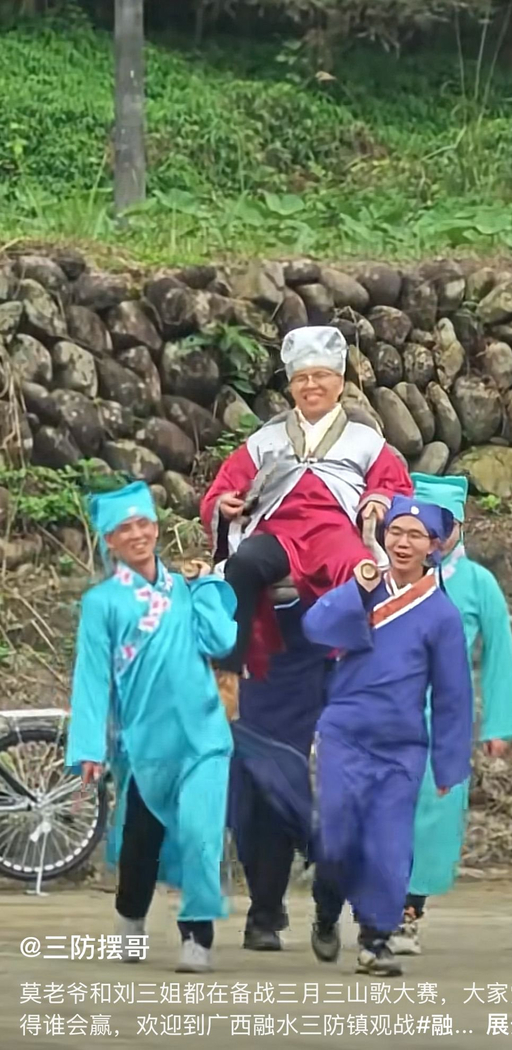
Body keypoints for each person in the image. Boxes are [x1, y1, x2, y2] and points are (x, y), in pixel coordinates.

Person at [66, 481, 237, 974]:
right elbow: (92, 677)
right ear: (110, 540)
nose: (137, 534)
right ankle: (131, 917)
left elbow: (222, 640)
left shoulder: (183, 588)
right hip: (146, 745)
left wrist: (205, 586)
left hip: (204, 737)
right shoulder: (101, 603)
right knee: (142, 842)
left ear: (157, 528)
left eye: (144, 523)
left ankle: (197, 937)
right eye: (125, 528)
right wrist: (89, 747)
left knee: (201, 836)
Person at [302, 495, 473, 977]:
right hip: (344, 734)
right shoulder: (365, 587)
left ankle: (375, 939)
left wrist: (449, 764)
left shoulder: (441, 614)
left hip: (401, 746)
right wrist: (356, 589)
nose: (403, 542)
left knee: (388, 844)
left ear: (433, 546)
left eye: (415, 536)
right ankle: (326, 908)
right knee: (337, 835)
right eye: (396, 532)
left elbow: (453, 693)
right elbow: (315, 626)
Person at [200, 325, 412, 700]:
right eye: (301, 378)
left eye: (320, 376)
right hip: (279, 532)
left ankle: (358, 675)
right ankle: (228, 677)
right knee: (244, 563)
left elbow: (393, 484)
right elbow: (224, 486)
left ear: (340, 382)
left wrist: (377, 501)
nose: (311, 385)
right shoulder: (267, 439)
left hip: (335, 532)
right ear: (291, 386)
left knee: (359, 572)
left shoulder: (365, 439)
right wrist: (225, 503)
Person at [391, 473, 512, 956]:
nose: (432, 534)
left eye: (441, 524)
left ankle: (409, 912)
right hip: (387, 710)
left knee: (434, 812)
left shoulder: (477, 583)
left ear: (458, 527)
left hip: (445, 713)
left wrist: (499, 724)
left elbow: (499, 654)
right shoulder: (393, 576)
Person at [228, 599, 329, 951]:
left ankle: (264, 912)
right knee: (247, 803)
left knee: (281, 799)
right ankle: (266, 902)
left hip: (301, 677)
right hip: (247, 679)